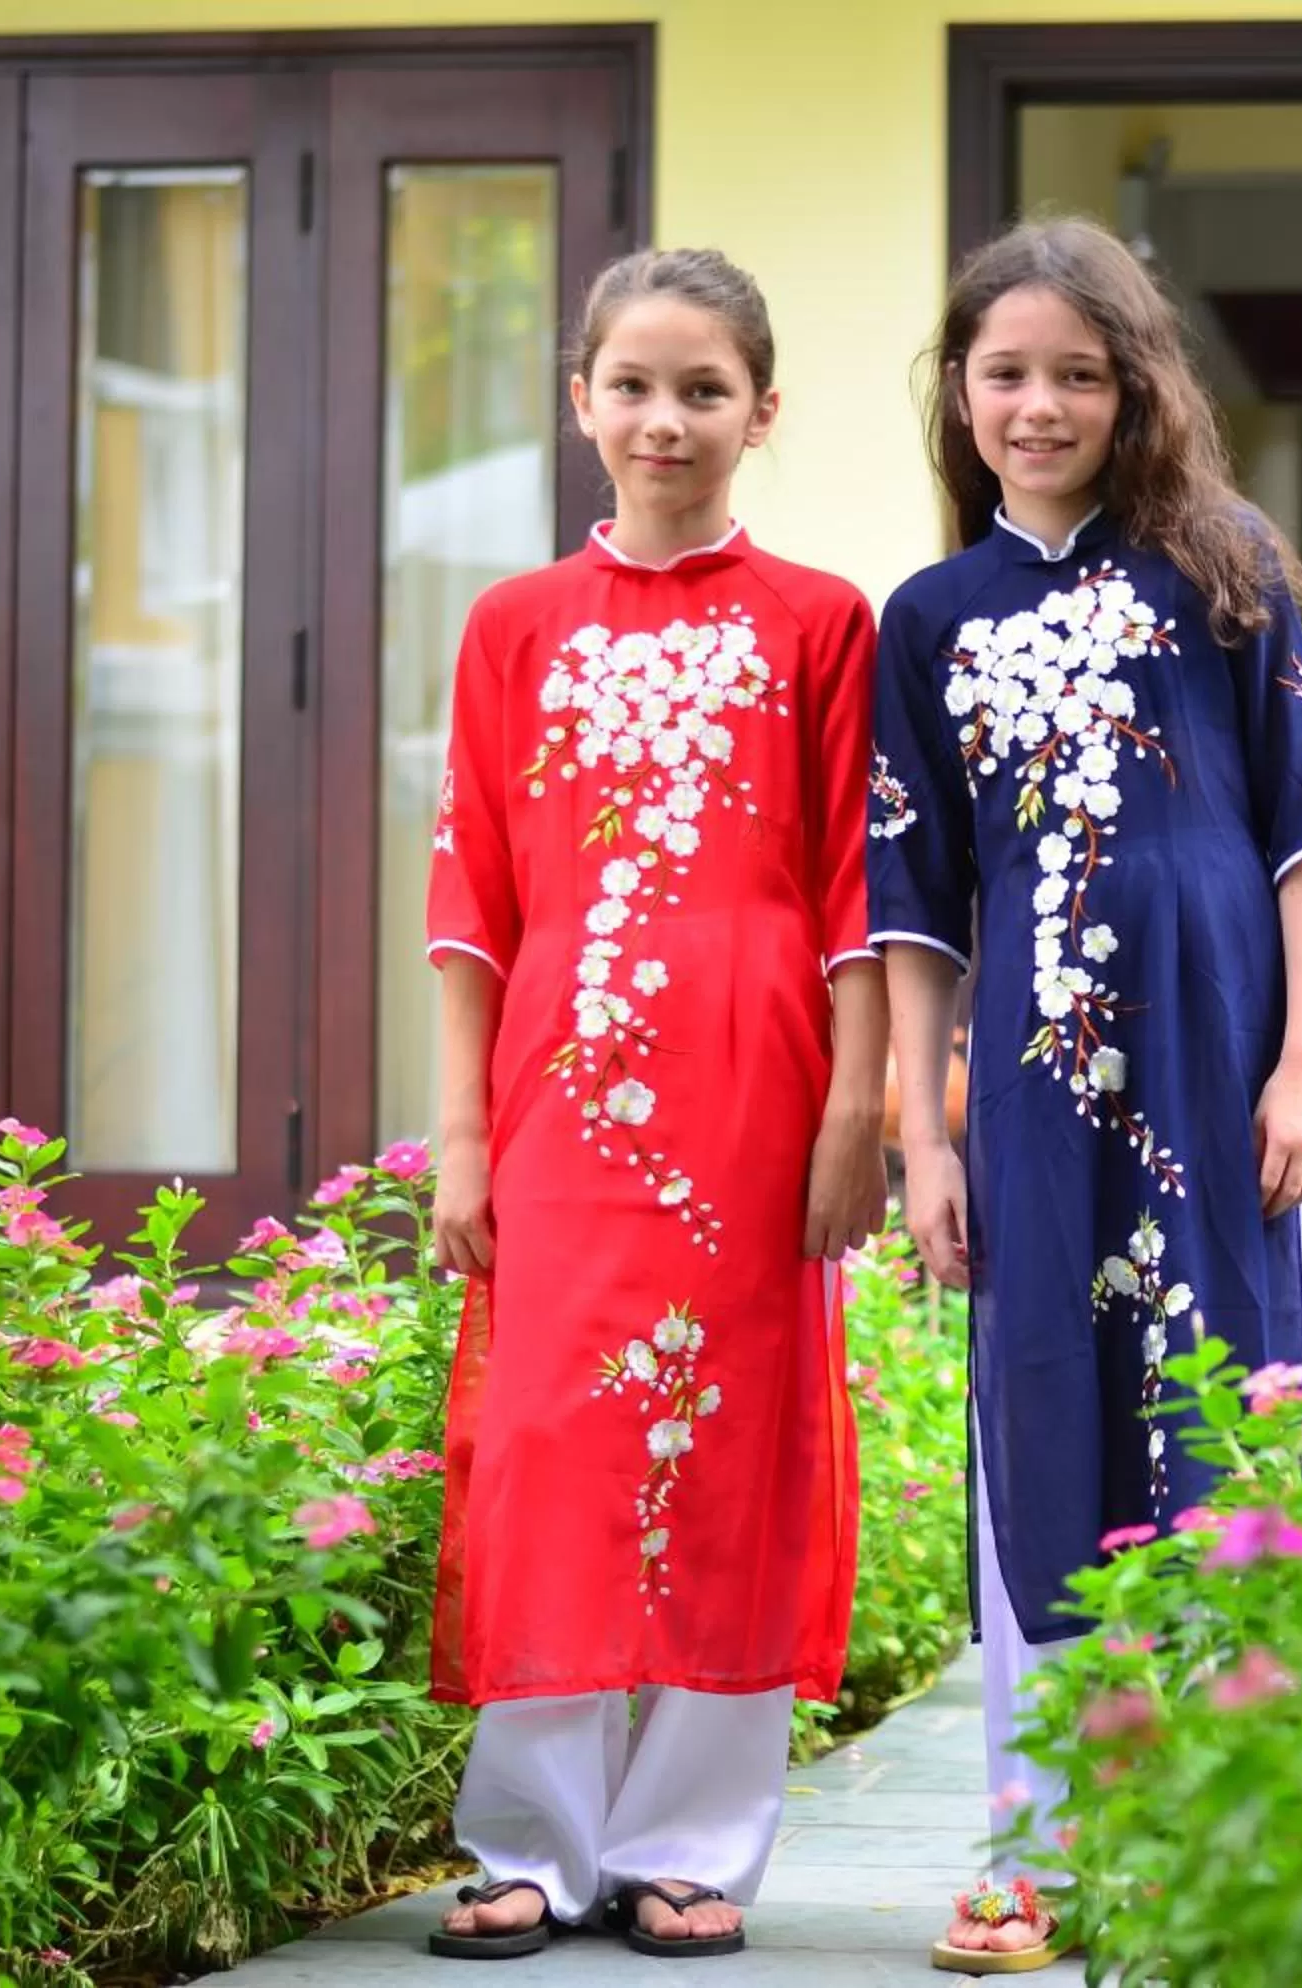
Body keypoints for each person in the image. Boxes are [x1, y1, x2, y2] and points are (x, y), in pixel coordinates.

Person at [868, 216, 1302, 1975]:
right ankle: (1042, 1855)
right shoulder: (926, 620)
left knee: (1228, 1407)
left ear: (1138, 386)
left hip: (1222, 1061)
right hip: (1025, 1087)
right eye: (1006, 373)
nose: (1042, 403)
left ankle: (1235, 1841)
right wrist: (921, 1136)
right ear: (962, 395)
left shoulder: (1227, 567)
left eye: (1079, 371)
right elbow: (915, 907)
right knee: (1046, 1411)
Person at [420, 246, 889, 1963]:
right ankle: (532, 1840)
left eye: (705, 389)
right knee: (548, 1441)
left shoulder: (825, 621)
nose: (665, 418)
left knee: (731, 1445)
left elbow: (859, 884)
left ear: (763, 413)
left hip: (762, 1084)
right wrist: (463, 1134)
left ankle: (690, 1844)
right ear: (581, 404)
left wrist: (863, 1108)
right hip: (559, 1084)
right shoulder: (511, 627)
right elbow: (474, 890)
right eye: (633, 384)